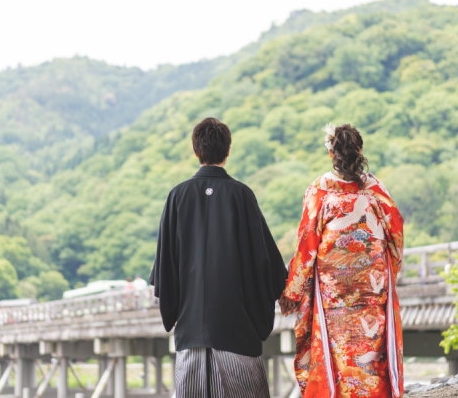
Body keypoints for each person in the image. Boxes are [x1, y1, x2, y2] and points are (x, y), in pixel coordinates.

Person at [150, 117, 288, 398]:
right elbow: (265, 260)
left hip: (190, 332)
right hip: (236, 329)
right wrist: (282, 289)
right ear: (227, 151)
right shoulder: (241, 194)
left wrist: (177, 310)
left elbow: (165, 265)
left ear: (195, 150)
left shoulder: (177, 195)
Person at [279, 124, 404, 398]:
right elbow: (395, 230)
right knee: (371, 340)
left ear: (331, 153)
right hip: (373, 283)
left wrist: (292, 292)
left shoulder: (320, 190)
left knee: (339, 341)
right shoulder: (374, 189)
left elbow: (307, 244)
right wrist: (388, 268)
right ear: (360, 151)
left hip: (334, 288)